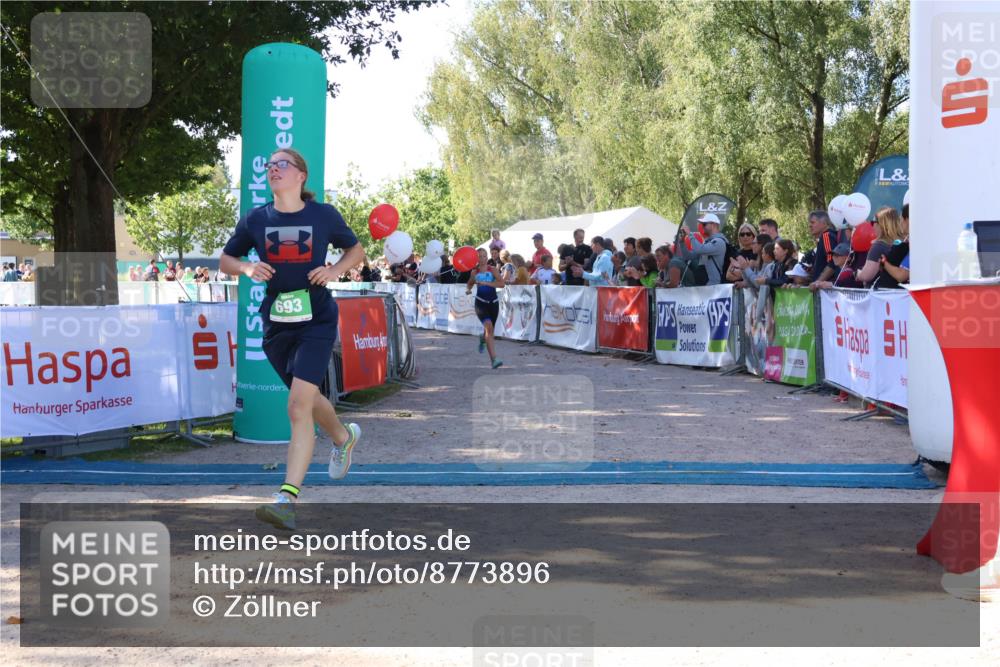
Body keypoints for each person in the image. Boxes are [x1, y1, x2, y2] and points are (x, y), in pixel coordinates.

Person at [219, 147, 364, 531]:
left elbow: (356, 250)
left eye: (281, 164)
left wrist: (333, 270)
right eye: (270, 165)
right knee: (308, 399)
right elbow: (226, 260)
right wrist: (247, 267)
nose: (273, 169)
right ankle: (342, 437)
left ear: (301, 175)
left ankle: (286, 498)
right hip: (276, 325)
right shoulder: (256, 219)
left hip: (317, 319)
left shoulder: (323, 215)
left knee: (298, 406)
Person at [466, 247, 505, 369]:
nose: (482, 258)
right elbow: (470, 283)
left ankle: (483, 338)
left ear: (487, 257)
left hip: (493, 303)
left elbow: (502, 284)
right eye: (480, 256)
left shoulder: (492, 270)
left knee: (489, 330)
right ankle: (494, 359)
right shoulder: (474, 272)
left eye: (484, 256)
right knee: (489, 327)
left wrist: (487, 283)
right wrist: (468, 289)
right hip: (480, 303)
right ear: (476, 258)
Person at [856, 206, 905, 288]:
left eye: (873, 222)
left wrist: (857, 273)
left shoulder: (878, 247)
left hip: (880, 293)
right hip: (901, 292)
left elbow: (866, 276)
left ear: (881, 225)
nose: (872, 226)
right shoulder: (904, 244)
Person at [677, 213, 728, 285]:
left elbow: (699, 249)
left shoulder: (719, 242)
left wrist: (690, 234)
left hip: (714, 286)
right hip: (706, 285)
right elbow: (688, 256)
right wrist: (682, 242)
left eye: (704, 224)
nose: (702, 227)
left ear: (713, 225)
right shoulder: (708, 242)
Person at [876, 204, 910, 289]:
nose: (900, 222)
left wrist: (884, 263)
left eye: (901, 218)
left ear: (907, 220)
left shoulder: (915, 245)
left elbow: (901, 275)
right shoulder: (907, 241)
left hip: (893, 293)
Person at [806, 211, 840, 285]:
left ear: (824, 223)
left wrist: (817, 282)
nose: (810, 225)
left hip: (825, 288)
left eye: (813, 222)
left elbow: (832, 263)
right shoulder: (828, 236)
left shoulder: (826, 236)